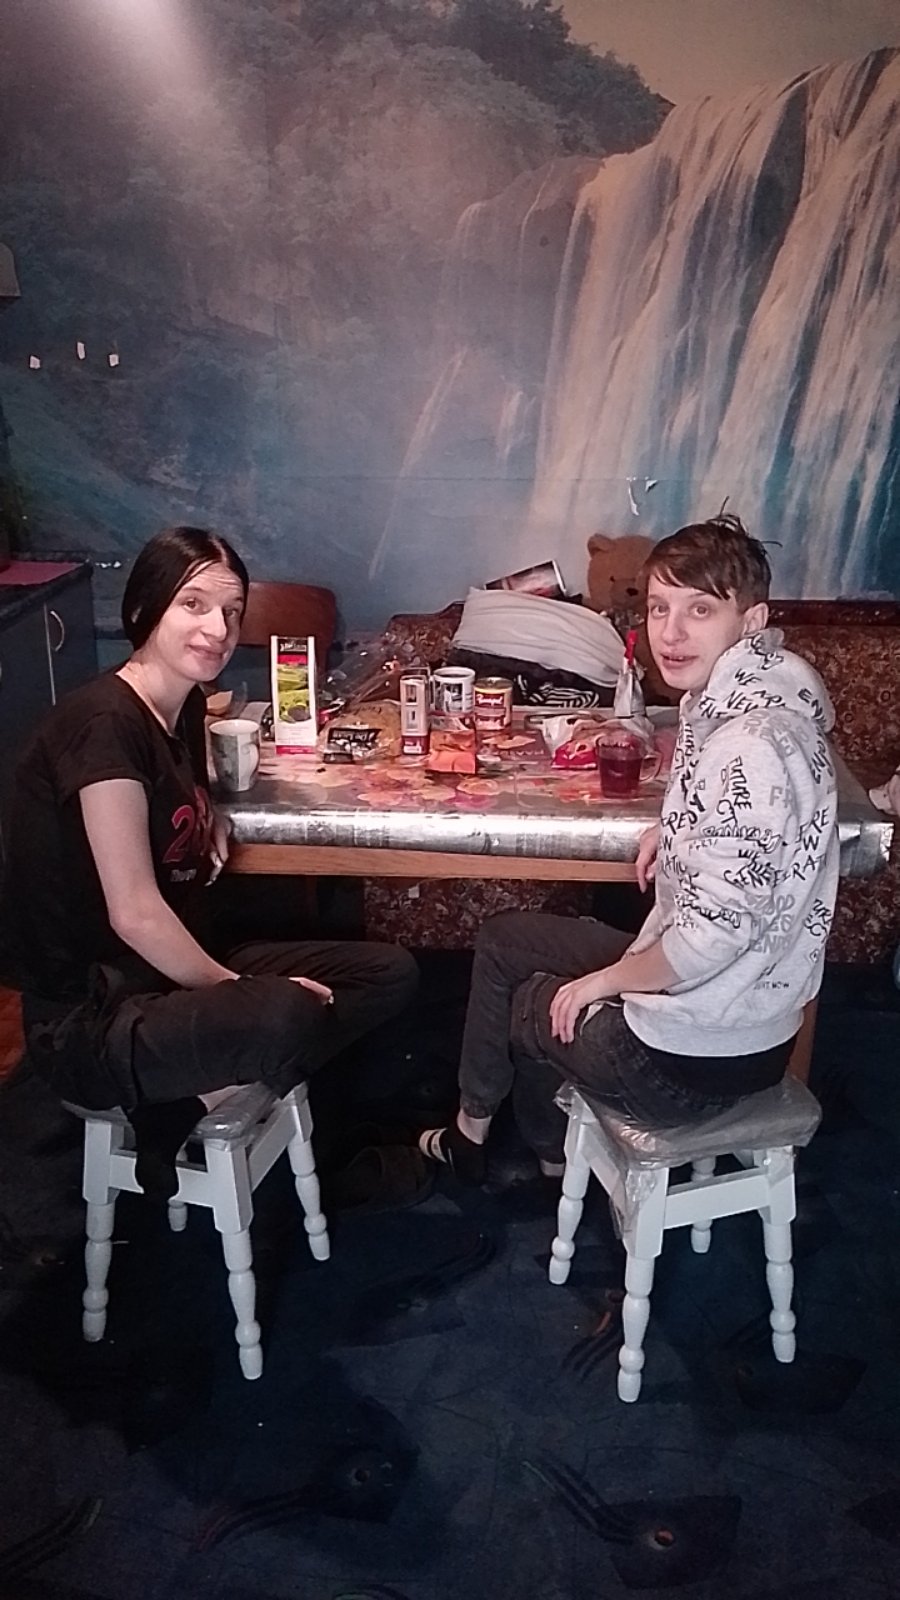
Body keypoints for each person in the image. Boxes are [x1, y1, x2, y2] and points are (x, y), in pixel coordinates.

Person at [418, 515, 840, 1184]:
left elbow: (713, 933)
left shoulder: (749, 743)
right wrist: (676, 833)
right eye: (660, 607)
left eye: (700, 609)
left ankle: (550, 1164)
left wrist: (606, 982)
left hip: (696, 1055)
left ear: (752, 620)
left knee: (536, 1002)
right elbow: (758, 839)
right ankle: (480, 1136)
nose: (671, 633)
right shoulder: (741, 700)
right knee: (505, 940)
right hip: (730, 1006)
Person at [0, 527, 418, 1198]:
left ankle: (188, 1103)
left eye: (231, 611)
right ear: (145, 607)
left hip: (162, 978)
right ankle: (205, 1087)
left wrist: (206, 811)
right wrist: (234, 988)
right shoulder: (103, 725)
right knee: (287, 1013)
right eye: (193, 604)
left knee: (388, 973)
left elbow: (167, 795)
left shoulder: (183, 705)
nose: (218, 629)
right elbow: (135, 914)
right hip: (91, 1020)